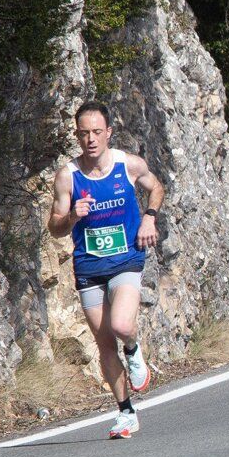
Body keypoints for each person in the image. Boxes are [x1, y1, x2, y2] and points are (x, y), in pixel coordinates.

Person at [47, 101, 164, 439]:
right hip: (89, 267)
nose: (91, 140)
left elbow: (156, 187)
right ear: (77, 136)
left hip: (126, 258)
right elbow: (54, 227)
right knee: (104, 344)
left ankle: (134, 348)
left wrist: (149, 217)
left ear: (109, 133)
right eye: (84, 134)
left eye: (97, 132)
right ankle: (126, 413)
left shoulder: (128, 165)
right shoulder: (68, 176)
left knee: (122, 325)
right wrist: (72, 217)